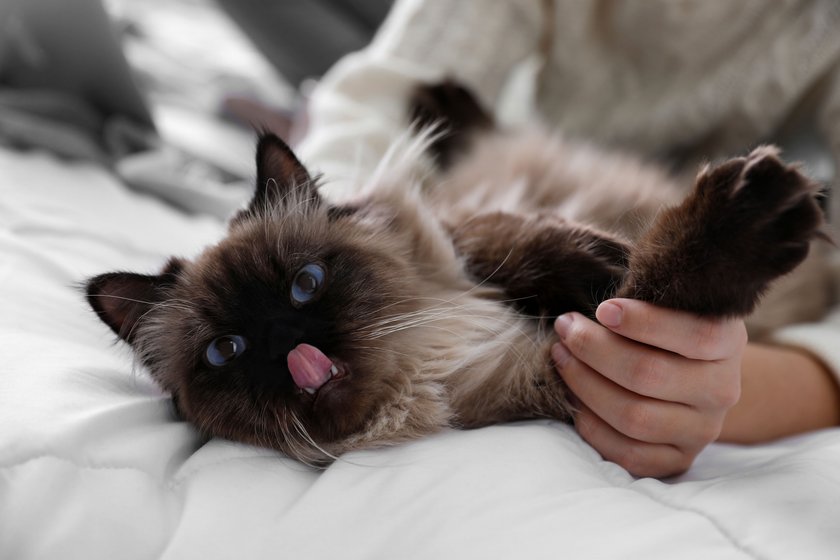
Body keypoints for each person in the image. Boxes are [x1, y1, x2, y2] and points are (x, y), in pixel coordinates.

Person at [292, 0, 840, 477]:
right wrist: (310, 240)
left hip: (629, 221)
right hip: (530, 172)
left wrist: (722, 388)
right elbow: (390, 90)